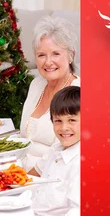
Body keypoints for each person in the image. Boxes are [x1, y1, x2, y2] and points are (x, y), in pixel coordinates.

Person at [20, 16, 80, 170]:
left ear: (70, 56)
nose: (48, 62)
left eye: (55, 54)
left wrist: (24, 181)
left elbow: (63, 154)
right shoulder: (36, 84)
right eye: (41, 55)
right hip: (20, 170)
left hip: (49, 177)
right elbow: (24, 139)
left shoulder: (78, 93)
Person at [28, 86, 80, 216]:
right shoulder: (56, 148)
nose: (64, 128)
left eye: (72, 120)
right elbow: (34, 175)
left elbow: (77, 211)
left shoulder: (80, 163)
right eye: (58, 121)